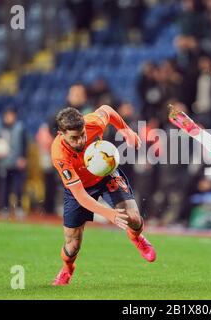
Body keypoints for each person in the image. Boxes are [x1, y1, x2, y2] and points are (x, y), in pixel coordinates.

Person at [51, 106, 156, 286]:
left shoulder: (92, 122)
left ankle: (137, 238)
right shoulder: (59, 155)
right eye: (74, 138)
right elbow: (81, 196)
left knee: (133, 219)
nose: (80, 140)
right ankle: (68, 268)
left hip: (106, 175)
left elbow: (107, 110)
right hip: (80, 188)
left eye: (82, 134)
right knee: (72, 245)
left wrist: (125, 130)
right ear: (61, 134)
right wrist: (110, 214)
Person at [0, 107, 28, 220]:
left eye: (11, 115)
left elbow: (24, 144)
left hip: (17, 163)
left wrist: (23, 158)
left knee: (18, 187)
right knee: (4, 187)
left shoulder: (20, 128)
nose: (9, 118)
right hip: (4, 163)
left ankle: (18, 208)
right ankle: (5, 208)